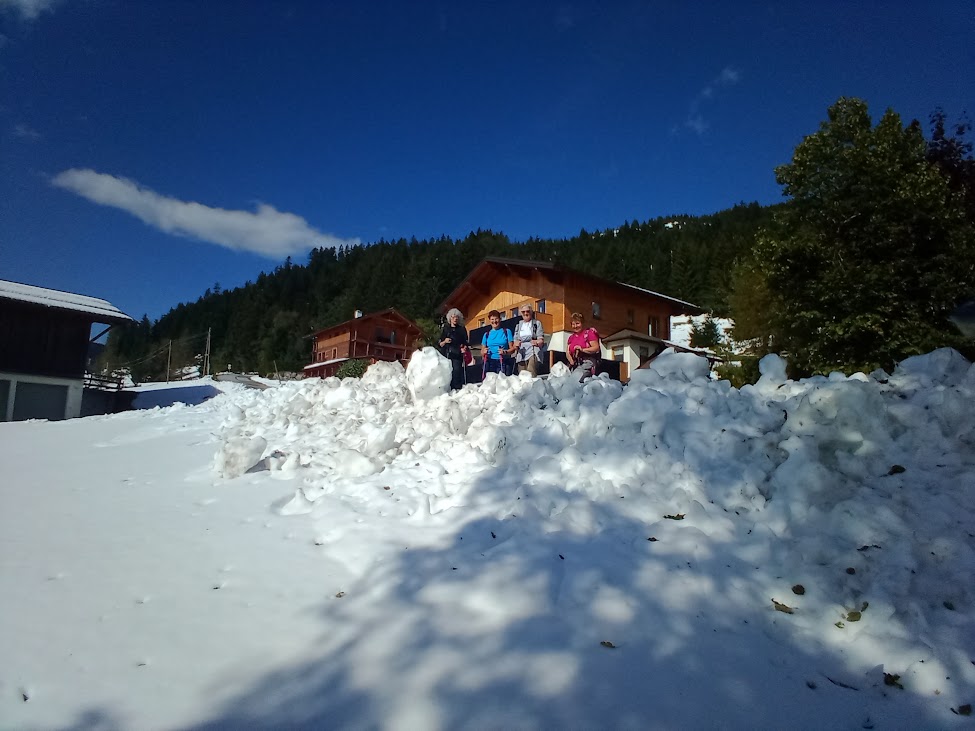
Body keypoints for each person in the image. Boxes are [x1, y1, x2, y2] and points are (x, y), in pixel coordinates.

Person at [438, 308, 471, 390]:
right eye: (453, 317)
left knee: (456, 372)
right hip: (446, 354)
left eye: (456, 317)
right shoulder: (446, 329)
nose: (455, 319)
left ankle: (456, 389)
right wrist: (445, 341)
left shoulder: (462, 329)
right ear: (450, 318)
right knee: (447, 373)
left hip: (457, 354)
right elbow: (440, 344)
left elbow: (466, 342)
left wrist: (464, 348)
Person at [566, 312, 601, 382]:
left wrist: (582, 350)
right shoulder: (571, 338)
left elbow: (596, 347)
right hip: (575, 364)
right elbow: (567, 352)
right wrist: (571, 360)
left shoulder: (589, 333)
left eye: (577, 323)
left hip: (588, 362)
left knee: (576, 378)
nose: (575, 326)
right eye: (573, 324)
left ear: (582, 323)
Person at [512, 304, 545, 376]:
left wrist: (537, 342)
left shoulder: (536, 323)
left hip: (533, 351)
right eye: (523, 312)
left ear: (531, 312)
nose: (525, 313)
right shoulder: (518, 325)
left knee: (531, 373)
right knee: (522, 375)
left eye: (527, 311)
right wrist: (516, 344)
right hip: (521, 352)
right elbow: (514, 343)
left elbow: (541, 340)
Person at [480, 310, 514, 377]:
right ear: (489, 321)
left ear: (500, 319)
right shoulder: (486, 334)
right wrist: (484, 352)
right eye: (492, 319)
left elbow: (512, 349)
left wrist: (505, 352)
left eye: (496, 319)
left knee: (503, 381)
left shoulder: (507, 331)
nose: (494, 321)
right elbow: (482, 351)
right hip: (490, 362)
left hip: (503, 361)